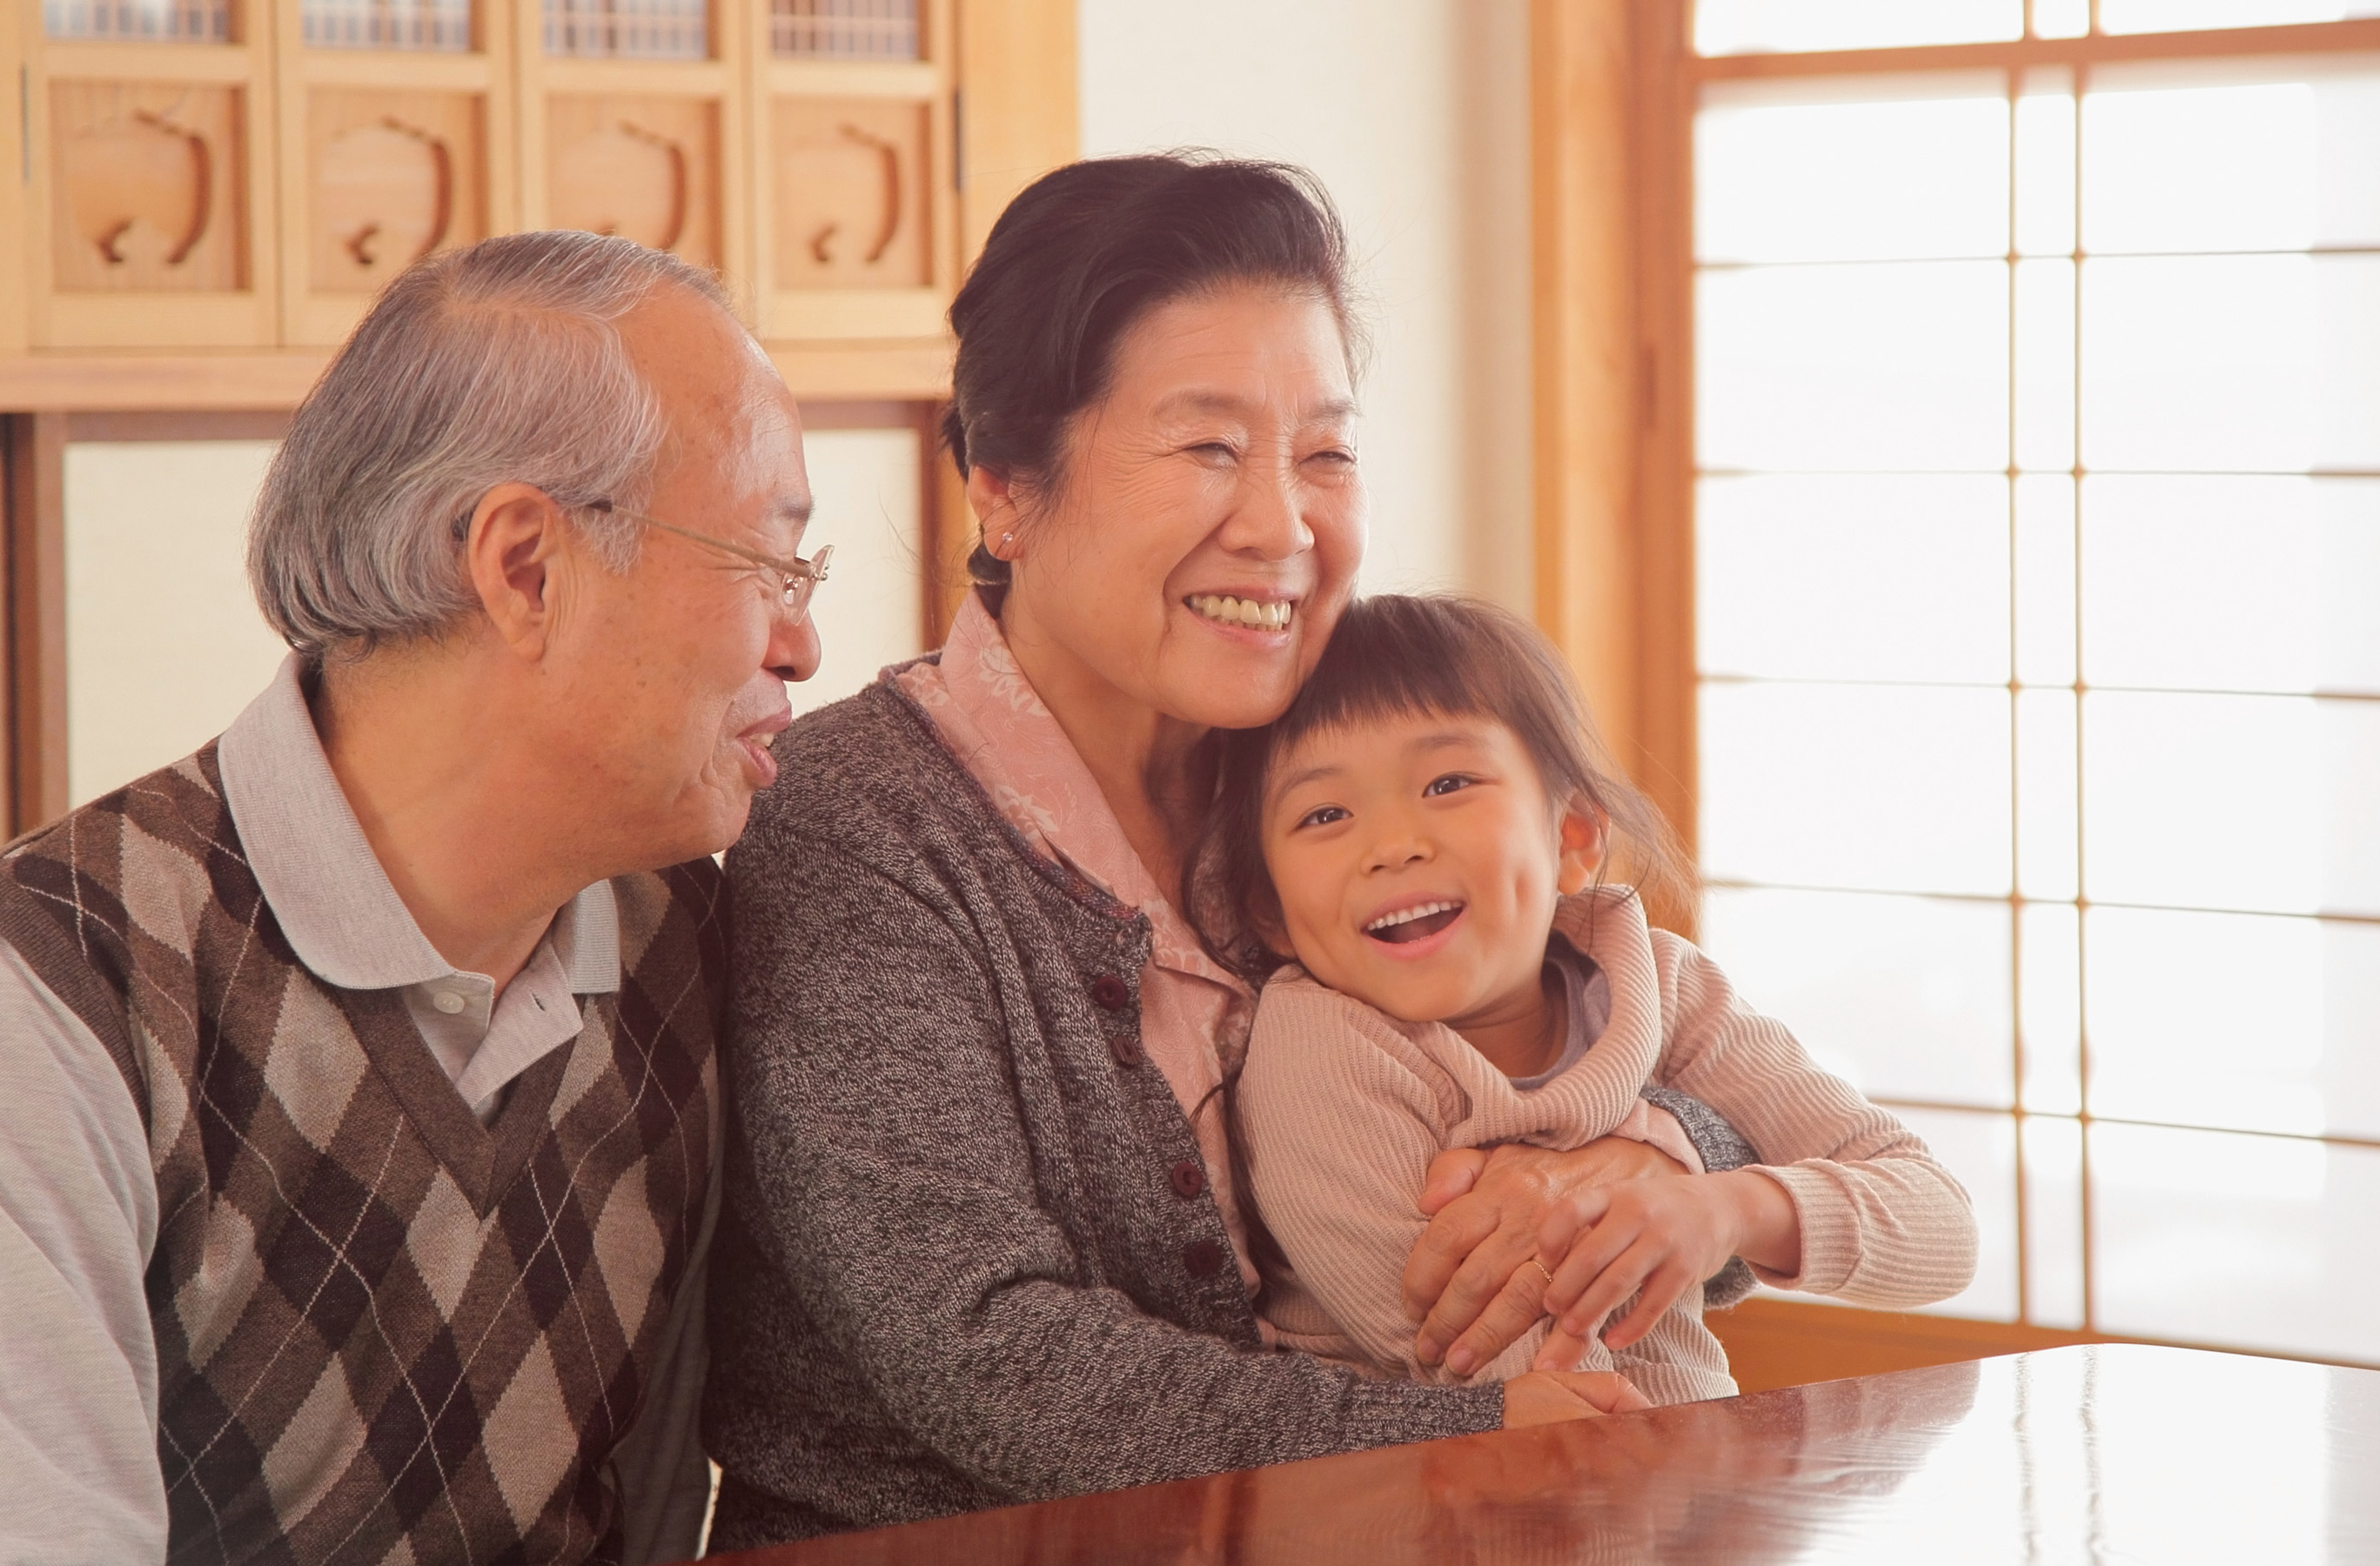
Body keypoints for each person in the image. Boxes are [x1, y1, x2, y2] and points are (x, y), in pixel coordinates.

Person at [706, 152, 1838, 1549]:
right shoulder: (849, 823)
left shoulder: (1342, 786)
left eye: (1326, 452)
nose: (1285, 524)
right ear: (1004, 487)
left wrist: (1665, 1168)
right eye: (1208, 448)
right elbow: (988, 1351)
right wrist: (1481, 1436)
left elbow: (1611, 1045)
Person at [0, 230, 821, 1563]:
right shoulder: (54, 996)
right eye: (767, 563)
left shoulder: (680, 936)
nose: (803, 640)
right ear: (526, 568)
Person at [1208, 594, 1978, 1403]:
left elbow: (1941, 1229)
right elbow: (1522, 1375)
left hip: (1673, 1473)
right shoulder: (1322, 1053)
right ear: (1270, 911)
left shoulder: (1657, 983)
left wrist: (1725, 1209)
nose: (1394, 845)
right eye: (1326, 813)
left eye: (1448, 782)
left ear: (1572, 838)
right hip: (1454, 1499)